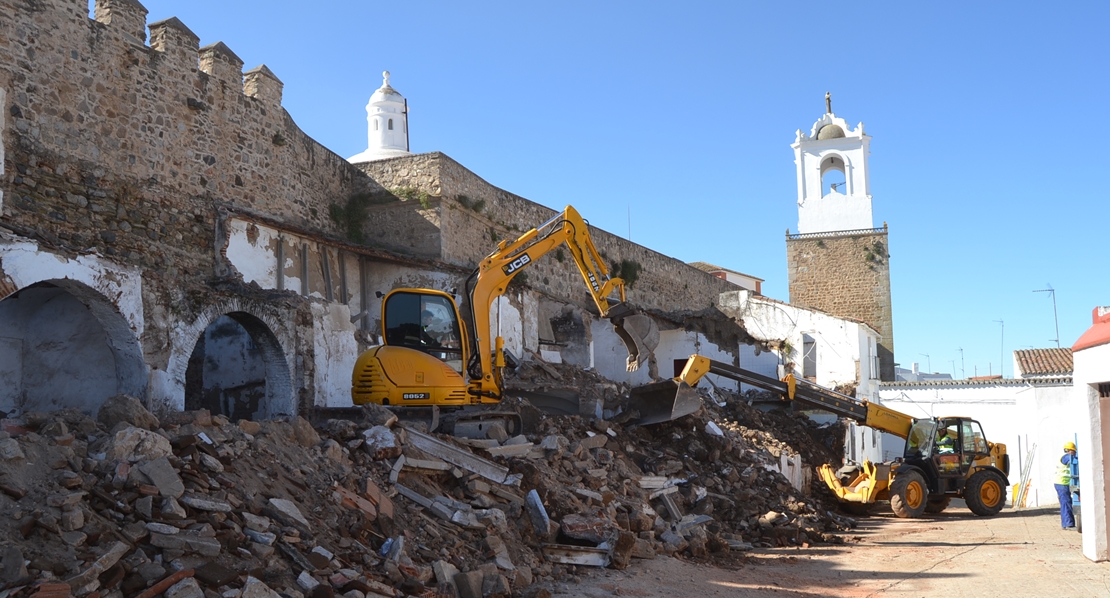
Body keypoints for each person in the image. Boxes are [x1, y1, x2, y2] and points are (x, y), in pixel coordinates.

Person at [1056, 441, 1078, 530]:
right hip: (1062, 483)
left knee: (1065, 503)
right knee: (1066, 503)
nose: (1075, 453)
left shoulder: (1065, 457)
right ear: (1069, 450)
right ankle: (1069, 524)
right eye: (1074, 451)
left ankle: (1066, 524)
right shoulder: (1066, 457)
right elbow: (1073, 460)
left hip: (1061, 483)